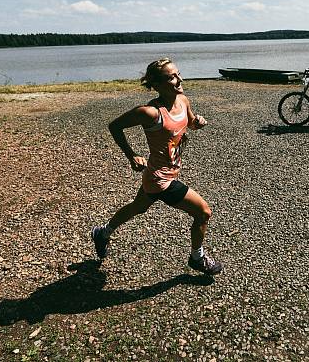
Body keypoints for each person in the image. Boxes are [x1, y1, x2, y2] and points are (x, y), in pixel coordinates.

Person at [91, 58, 223, 275]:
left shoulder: (182, 100)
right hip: (161, 180)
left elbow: (189, 122)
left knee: (138, 207)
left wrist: (197, 122)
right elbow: (114, 126)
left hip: (163, 173)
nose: (179, 79)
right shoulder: (150, 113)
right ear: (157, 84)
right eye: (171, 77)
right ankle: (197, 258)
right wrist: (131, 154)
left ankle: (103, 233)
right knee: (203, 212)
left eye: (178, 74)